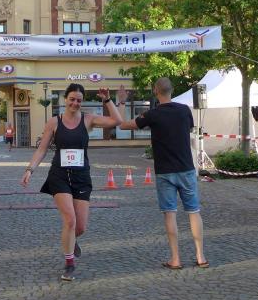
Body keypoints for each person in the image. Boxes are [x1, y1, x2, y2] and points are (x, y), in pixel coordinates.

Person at [21, 84, 124, 281]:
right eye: (72, 99)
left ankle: (71, 240)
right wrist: (29, 169)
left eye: (79, 100)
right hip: (59, 175)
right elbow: (42, 149)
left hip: (81, 177)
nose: (75, 103)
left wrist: (108, 100)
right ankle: (69, 263)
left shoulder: (88, 119)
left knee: (80, 227)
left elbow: (117, 121)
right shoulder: (54, 122)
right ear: (65, 99)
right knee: (70, 219)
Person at [119, 78, 208, 271]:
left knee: (170, 214)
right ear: (172, 90)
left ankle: (175, 259)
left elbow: (123, 125)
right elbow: (189, 130)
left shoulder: (152, 114)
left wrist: (123, 101)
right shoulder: (184, 110)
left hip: (165, 171)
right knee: (194, 211)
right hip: (186, 168)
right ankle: (200, 256)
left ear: (155, 91)